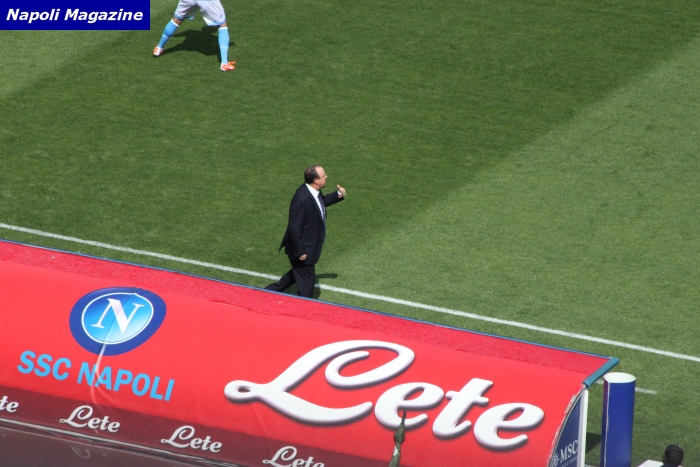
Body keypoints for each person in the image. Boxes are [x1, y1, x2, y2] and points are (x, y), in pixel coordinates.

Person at [265, 166, 347, 298]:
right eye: (323, 176)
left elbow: (320, 204)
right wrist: (300, 251)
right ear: (316, 180)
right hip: (303, 250)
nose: (326, 177)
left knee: (297, 274)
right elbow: (294, 227)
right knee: (307, 287)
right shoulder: (301, 198)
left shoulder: (314, 192)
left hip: (308, 247)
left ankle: (266, 292)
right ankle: (303, 308)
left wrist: (338, 195)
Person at [153, 0, 236, 72]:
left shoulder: (190, 32)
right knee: (222, 25)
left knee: (176, 20)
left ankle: (159, 48)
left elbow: (179, 35)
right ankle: (224, 63)